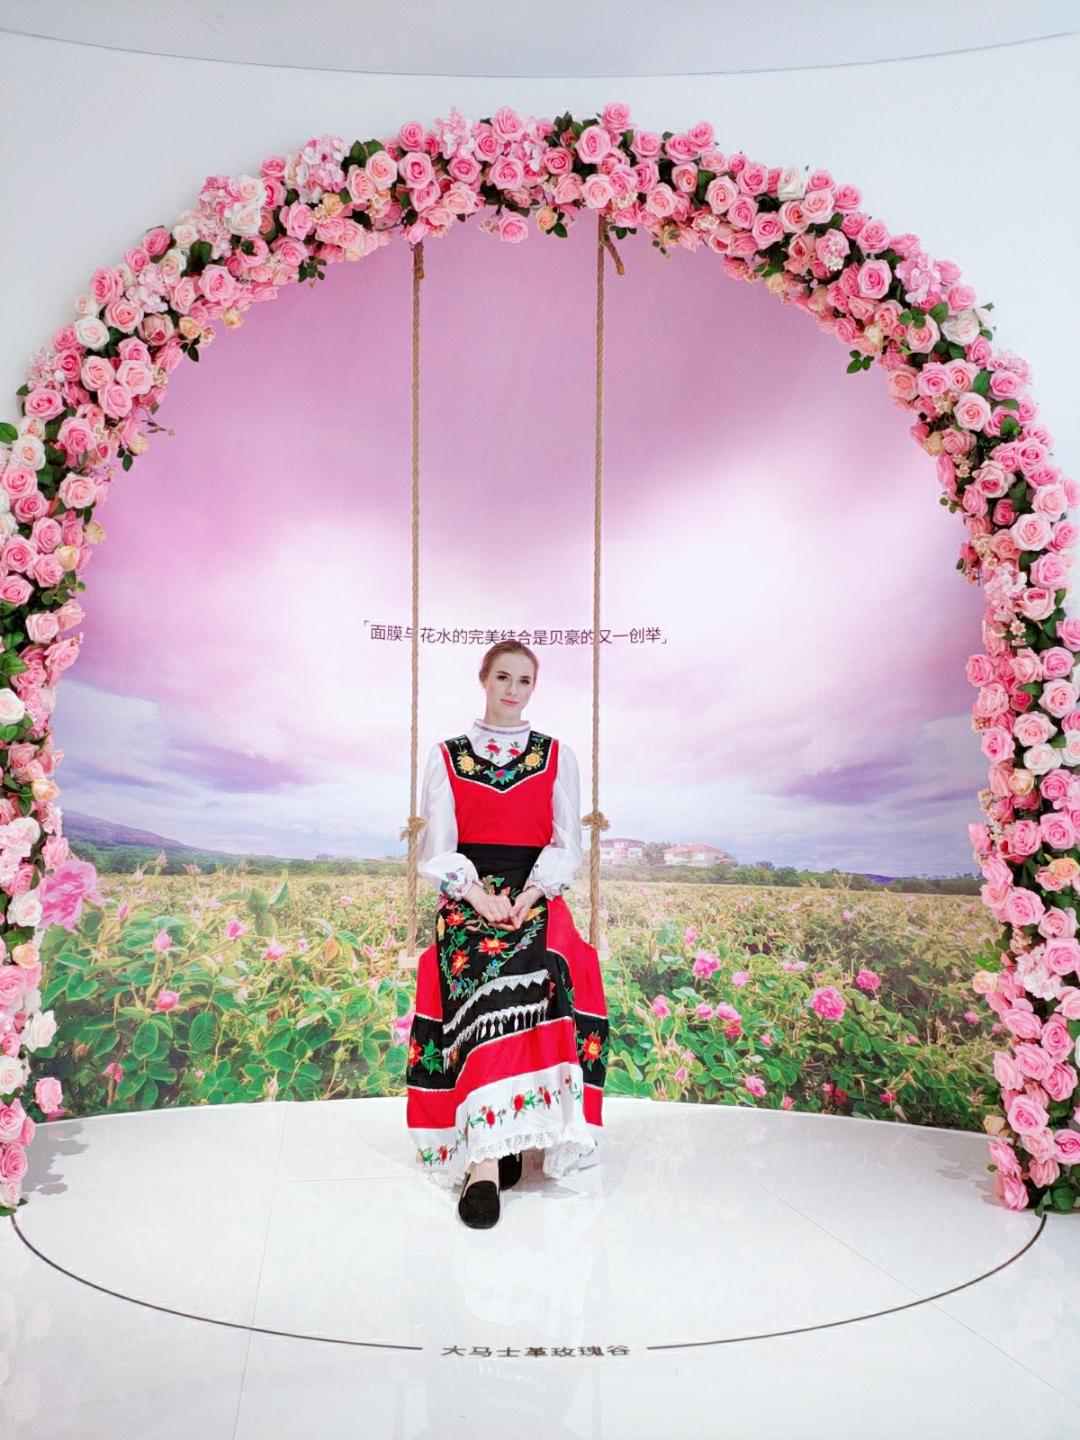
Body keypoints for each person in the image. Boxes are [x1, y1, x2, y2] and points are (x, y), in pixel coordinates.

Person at [404, 640, 609, 1228]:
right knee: (477, 965)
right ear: (484, 679)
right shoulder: (447, 757)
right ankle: (486, 1163)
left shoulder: (555, 756)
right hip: (469, 893)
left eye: (524, 680)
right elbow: (439, 847)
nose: (513, 690)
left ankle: (515, 1130)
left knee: (543, 965)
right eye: (503, 677)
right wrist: (478, 897)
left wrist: (529, 896)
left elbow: (565, 842)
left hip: (532, 894)